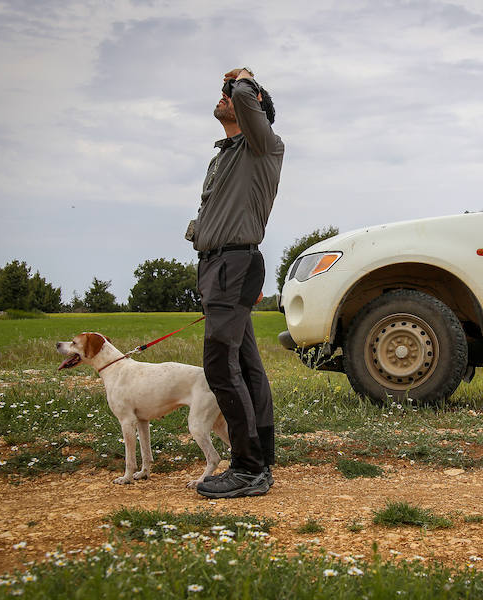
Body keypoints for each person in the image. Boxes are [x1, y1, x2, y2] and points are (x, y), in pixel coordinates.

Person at [188, 67, 284, 498]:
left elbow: (247, 100)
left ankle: (247, 468)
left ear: (255, 107)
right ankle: (261, 458)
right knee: (245, 367)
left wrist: (246, 79)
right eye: (225, 92)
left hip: (234, 265)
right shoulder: (224, 156)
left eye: (232, 94)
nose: (225, 96)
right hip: (217, 266)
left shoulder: (264, 145)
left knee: (219, 366)